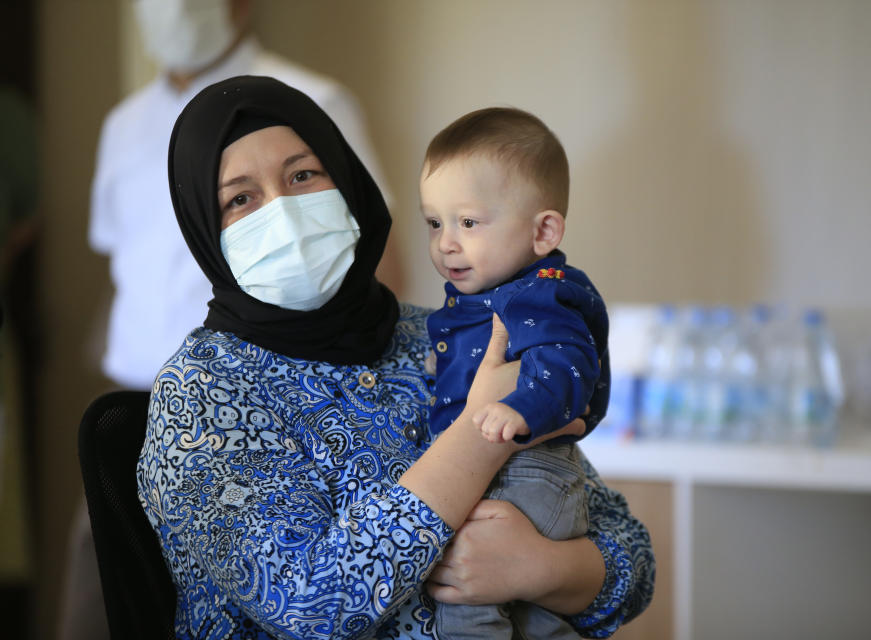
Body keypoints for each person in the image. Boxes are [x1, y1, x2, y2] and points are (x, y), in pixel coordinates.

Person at [136, 75, 654, 639]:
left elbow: (630, 555)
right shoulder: (201, 393)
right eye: (241, 199)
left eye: (303, 174)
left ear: (348, 180)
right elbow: (310, 602)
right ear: (206, 231)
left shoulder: (435, 335)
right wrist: (478, 436)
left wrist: (543, 568)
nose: (282, 212)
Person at [89, 0, 400, 391]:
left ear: (240, 5)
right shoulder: (122, 124)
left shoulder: (313, 100)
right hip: (138, 376)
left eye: (301, 175)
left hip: (272, 382)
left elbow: (378, 254)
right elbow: (125, 260)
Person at [420, 107, 610, 639]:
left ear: (543, 230)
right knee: (536, 618)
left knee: (463, 599)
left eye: (468, 222)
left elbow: (569, 363)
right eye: (434, 223)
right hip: (525, 476)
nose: (445, 243)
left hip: (525, 474)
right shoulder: (494, 296)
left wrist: (516, 409)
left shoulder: (536, 296)